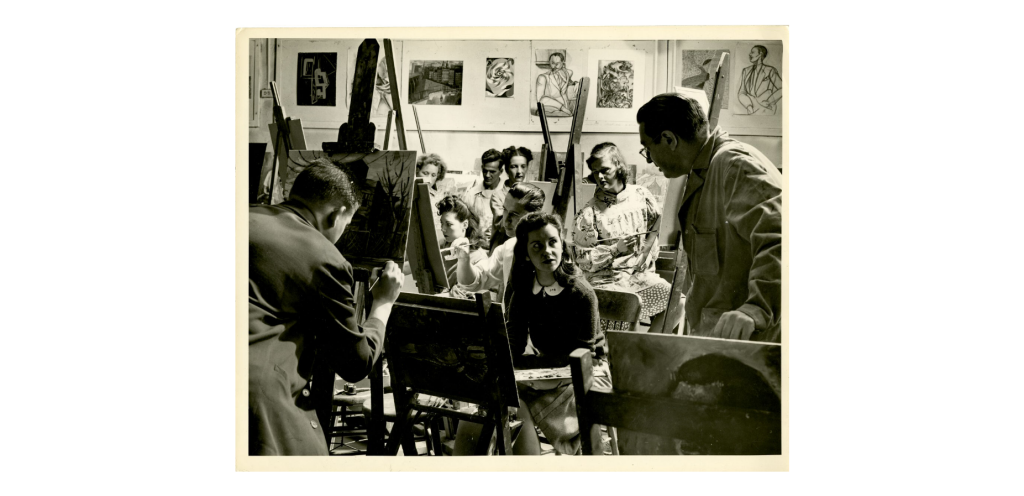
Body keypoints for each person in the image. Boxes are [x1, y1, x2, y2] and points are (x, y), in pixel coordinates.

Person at [248, 160, 404, 455]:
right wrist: (382, 303)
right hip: (257, 395)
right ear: (337, 214)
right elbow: (356, 363)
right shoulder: (324, 258)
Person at [636, 93, 782, 342]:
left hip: (751, 341)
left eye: (648, 150)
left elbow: (781, 237)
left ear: (669, 139)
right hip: (722, 338)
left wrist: (757, 308)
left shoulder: (734, 164)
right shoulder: (706, 170)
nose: (651, 161)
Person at [505, 212, 611, 455]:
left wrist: (536, 376)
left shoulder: (581, 293)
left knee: (520, 401)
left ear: (562, 245)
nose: (547, 251)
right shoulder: (522, 291)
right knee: (507, 393)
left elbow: (584, 352)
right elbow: (514, 340)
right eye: (537, 245)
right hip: (549, 366)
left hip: (588, 371)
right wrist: (510, 368)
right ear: (525, 252)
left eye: (553, 242)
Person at [572, 142, 674, 333]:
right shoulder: (589, 212)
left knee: (675, 301)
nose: (600, 177)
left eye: (605, 170)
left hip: (638, 278)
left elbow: (657, 220)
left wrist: (646, 247)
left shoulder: (640, 194)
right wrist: (614, 250)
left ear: (619, 166)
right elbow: (582, 260)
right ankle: (626, 348)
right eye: (595, 172)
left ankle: (647, 348)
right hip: (606, 283)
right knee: (626, 312)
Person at [452, 182, 546, 308]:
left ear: (534, 216)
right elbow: (474, 282)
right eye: (505, 210)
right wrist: (464, 259)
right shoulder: (508, 248)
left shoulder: (550, 250)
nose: (505, 220)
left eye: (514, 214)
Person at [436, 195, 488, 290]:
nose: (443, 229)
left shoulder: (478, 257)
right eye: (442, 223)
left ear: (465, 224)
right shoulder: (442, 245)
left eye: (448, 224)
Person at [488, 146, 534, 254]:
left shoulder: (532, 193)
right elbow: (504, 225)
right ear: (507, 169)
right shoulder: (497, 196)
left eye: (523, 166)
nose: (519, 171)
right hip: (501, 252)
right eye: (514, 166)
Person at [460, 149, 504, 246]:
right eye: (485, 171)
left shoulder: (507, 194)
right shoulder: (471, 194)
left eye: (492, 172)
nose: (487, 175)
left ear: (501, 171)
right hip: (476, 247)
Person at [737, 45, 782, 115]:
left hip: (767, 109)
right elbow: (742, 92)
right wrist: (749, 106)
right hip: (751, 109)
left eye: (752, 52)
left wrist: (769, 101)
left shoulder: (770, 70)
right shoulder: (746, 71)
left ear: (760, 54)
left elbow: (783, 88)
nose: (749, 54)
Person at [416, 153, 448, 241]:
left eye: (433, 175)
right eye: (425, 173)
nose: (428, 179)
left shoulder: (439, 199)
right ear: (417, 171)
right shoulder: (407, 193)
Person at [535, 52, 577, 117]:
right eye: (553, 63)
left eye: (558, 63)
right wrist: (562, 108)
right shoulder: (543, 77)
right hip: (549, 109)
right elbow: (540, 99)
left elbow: (569, 81)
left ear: (563, 62)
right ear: (549, 63)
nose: (555, 65)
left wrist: (576, 83)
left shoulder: (567, 74)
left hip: (566, 109)